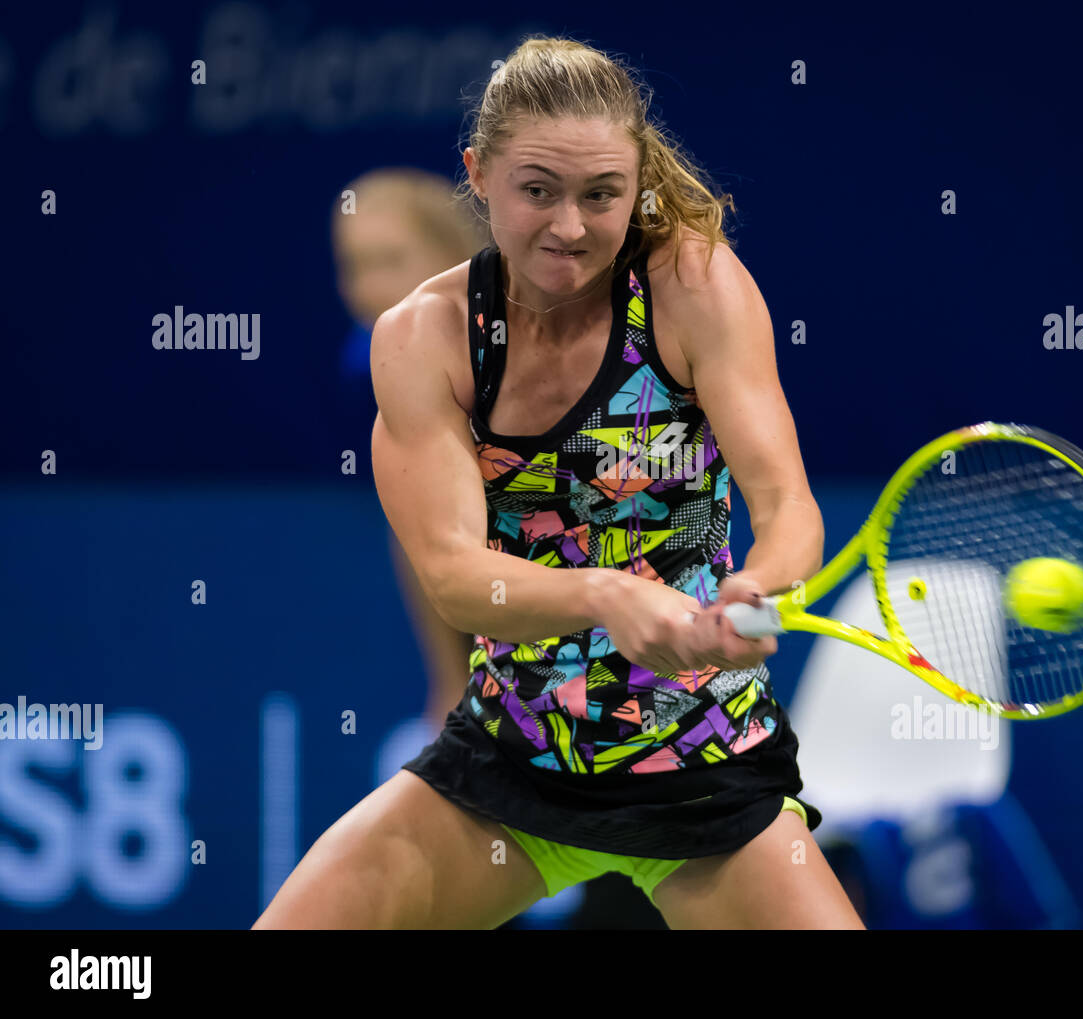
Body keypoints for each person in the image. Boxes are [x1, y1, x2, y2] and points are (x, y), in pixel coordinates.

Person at [254, 34, 863, 930]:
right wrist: (607, 595)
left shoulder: (696, 287)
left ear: (636, 186)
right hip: (508, 769)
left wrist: (757, 596)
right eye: (537, 189)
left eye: (601, 194)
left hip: (706, 780)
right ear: (479, 174)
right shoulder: (425, 339)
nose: (569, 226)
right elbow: (458, 576)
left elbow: (789, 512)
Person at [331, 168, 484, 728]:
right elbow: (425, 535)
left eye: (390, 260)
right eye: (354, 266)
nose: (369, 288)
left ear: (452, 251)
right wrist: (451, 690)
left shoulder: (522, 338)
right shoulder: (371, 357)